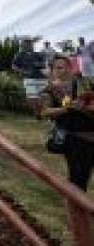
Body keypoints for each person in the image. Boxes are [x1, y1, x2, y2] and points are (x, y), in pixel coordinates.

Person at [40, 56, 94, 191]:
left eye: (66, 67)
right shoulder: (50, 90)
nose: (62, 71)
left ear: (71, 69)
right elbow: (45, 112)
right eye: (58, 68)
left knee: (81, 178)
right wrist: (67, 108)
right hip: (74, 139)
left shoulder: (83, 85)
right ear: (52, 71)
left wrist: (88, 107)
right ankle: (75, 204)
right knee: (78, 180)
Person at [13, 38, 48, 115]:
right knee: (32, 98)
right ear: (23, 45)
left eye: (30, 44)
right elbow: (14, 66)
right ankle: (38, 114)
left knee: (43, 97)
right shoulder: (19, 55)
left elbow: (44, 64)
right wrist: (22, 71)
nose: (29, 45)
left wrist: (38, 64)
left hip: (41, 78)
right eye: (27, 44)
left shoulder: (38, 54)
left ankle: (43, 113)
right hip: (29, 79)